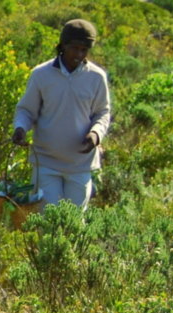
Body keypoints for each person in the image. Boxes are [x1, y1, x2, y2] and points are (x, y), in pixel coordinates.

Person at [12, 19, 112, 211]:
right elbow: (26, 110)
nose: (79, 54)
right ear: (63, 45)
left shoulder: (97, 77)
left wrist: (96, 134)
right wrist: (20, 128)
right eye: (75, 48)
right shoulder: (41, 74)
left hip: (80, 165)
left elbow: (102, 112)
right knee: (48, 220)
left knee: (73, 224)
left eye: (84, 50)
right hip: (46, 162)